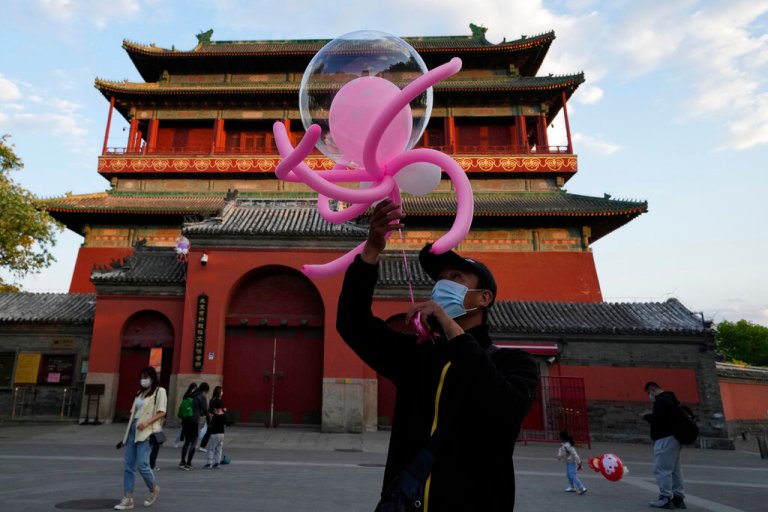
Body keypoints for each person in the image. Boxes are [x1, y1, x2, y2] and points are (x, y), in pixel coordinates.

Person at [336, 199, 539, 511]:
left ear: (483, 298)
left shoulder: (515, 363)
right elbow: (352, 323)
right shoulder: (417, 356)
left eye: (456, 277)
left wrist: (447, 324)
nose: (443, 284)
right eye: (440, 278)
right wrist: (372, 251)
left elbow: (506, 410)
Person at [114, 366, 166, 510]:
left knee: (142, 464)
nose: (143, 380)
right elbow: (134, 412)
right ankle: (128, 497)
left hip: (147, 430)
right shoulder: (140, 392)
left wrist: (147, 422)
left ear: (152, 378)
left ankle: (153, 488)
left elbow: (162, 412)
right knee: (129, 465)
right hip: (133, 430)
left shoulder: (159, 391)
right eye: (141, 377)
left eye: (146, 377)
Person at [643, 381, 686, 509]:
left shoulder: (661, 401)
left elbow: (658, 419)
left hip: (665, 439)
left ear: (652, 390)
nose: (650, 396)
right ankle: (679, 497)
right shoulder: (672, 399)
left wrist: (646, 416)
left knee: (662, 469)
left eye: (649, 393)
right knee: (675, 470)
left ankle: (665, 497)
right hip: (675, 438)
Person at [179, 382, 209, 470]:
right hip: (194, 421)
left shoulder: (191, 394)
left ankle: (182, 461)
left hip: (186, 420)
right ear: (205, 390)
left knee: (187, 442)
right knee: (194, 442)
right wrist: (208, 415)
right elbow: (205, 410)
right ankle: (188, 462)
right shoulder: (201, 396)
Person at [203, 386, 226, 469]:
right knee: (219, 448)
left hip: (214, 433)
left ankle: (209, 463)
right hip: (222, 433)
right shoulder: (223, 415)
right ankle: (217, 462)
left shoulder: (214, 415)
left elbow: (211, 423)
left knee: (211, 448)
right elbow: (226, 422)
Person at [557, 430, 587, 495]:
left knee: (573, 476)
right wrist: (559, 456)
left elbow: (575, 454)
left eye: (560, 437)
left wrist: (579, 462)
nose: (559, 438)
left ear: (562, 438)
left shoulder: (568, 445)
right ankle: (572, 487)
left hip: (572, 463)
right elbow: (561, 451)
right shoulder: (564, 445)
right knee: (568, 475)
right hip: (568, 462)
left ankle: (582, 488)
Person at [173, 383, 197, 448]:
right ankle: (177, 442)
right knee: (183, 430)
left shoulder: (187, 395)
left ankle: (181, 442)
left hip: (187, 415)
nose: (194, 389)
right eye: (194, 388)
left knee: (184, 430)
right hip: (188, 415)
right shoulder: (190, 395)